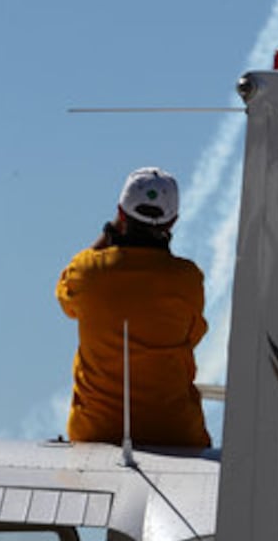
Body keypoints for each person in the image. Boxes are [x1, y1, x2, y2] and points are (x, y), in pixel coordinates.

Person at [56, 167, 211, 448]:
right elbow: (192, 336)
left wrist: (109, 233)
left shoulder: (87, 270)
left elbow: (66, 300)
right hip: (176, 435)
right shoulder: (187, 279)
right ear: (172, 221)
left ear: (121, 213)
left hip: (96, 434)